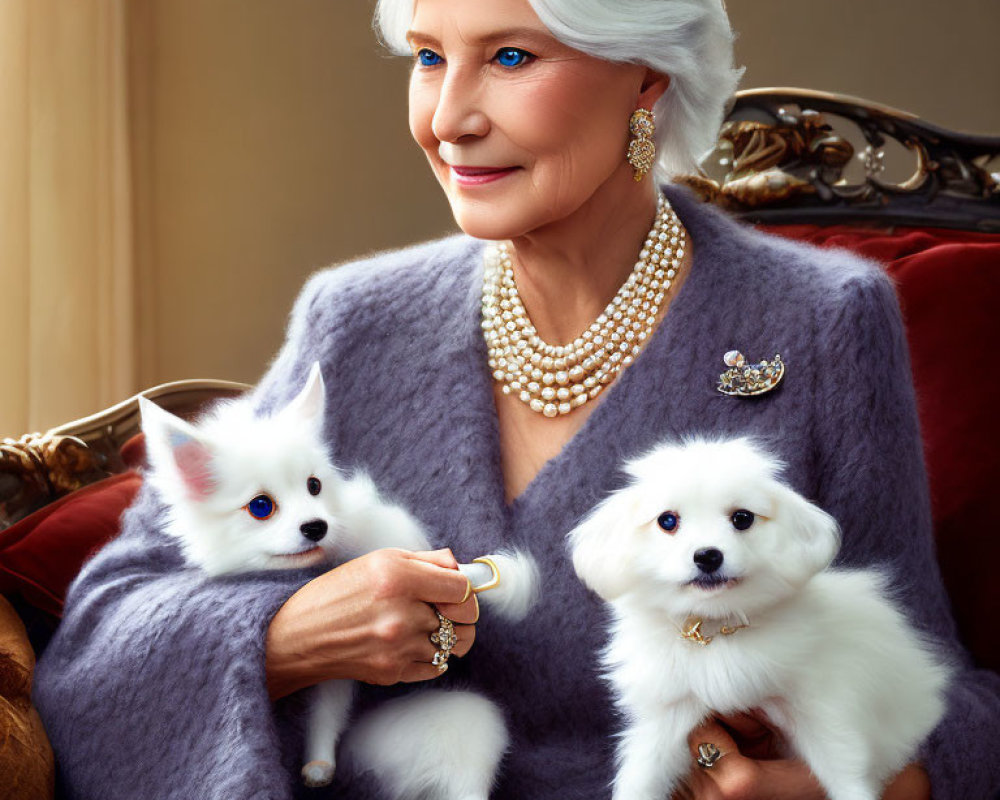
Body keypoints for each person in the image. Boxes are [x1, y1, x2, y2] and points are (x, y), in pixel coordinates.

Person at [33, 0, 1000, 798]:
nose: (447, 117)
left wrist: (862, 787)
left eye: (507, 55)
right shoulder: (358, 322)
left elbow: (926, 675)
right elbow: (107, 636)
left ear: (645, 76)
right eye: (425, 57)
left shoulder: (823, 321)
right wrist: (282, 639)